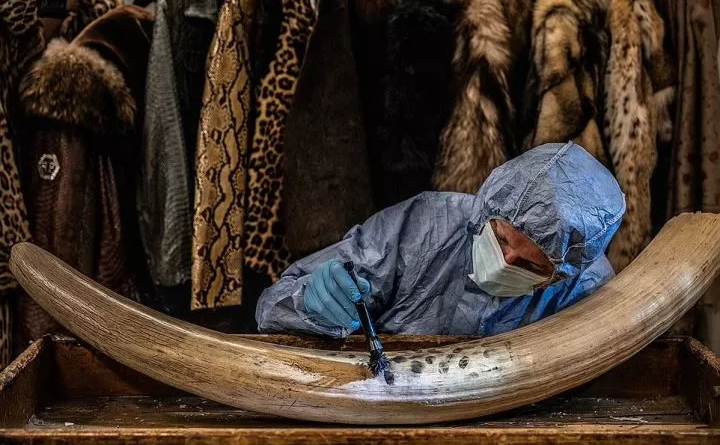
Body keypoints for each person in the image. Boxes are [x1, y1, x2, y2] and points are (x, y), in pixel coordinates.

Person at [256, 142, 626, 337]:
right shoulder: (424, 225)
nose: (504, 262)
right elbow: (272, 305)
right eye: (500, 239)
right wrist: (308, 303)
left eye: (530, 266)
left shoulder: (586, 288)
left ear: (562, 274)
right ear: (488, 209)